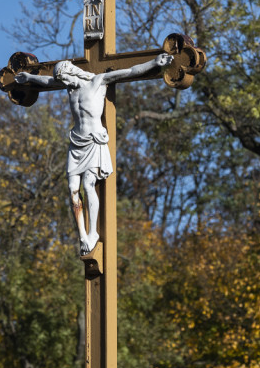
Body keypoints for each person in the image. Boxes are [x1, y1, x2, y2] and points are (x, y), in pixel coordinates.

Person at [15, 53, 173, 254]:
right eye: (63, 81)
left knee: (89, 185)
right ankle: (82, 235)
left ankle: (93, 233)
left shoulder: (98, 81)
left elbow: (130, 71)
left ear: (72, 72)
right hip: (76, 143)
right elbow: (48, 81)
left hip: (93, 140)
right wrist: (29, 78)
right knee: (73, 190)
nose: (66, 83)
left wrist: (154, 62)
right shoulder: (70, 87)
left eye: (66, 78)